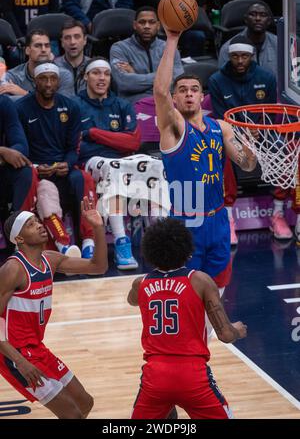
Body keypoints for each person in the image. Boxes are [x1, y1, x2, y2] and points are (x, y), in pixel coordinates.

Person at [153, 27, 257, 296]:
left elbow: (246, 165)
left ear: (202, 97)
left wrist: (252, 144)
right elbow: (160, 92)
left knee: (217, 289)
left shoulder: (220, 128)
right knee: (187, 294)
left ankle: (207, 338)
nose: (188, 94)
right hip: (186, 222)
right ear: (175, 99)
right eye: (183, 90)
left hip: (218, 218)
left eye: (194, 89)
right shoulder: (172, 127)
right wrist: (173, 39)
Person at [128, 217, 247, 419]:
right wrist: (238, 329)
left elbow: (132, 300)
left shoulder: (141, 284)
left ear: (150, 253)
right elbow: (226, 335)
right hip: (192, 375)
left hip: (155, 376)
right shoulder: (201, 281)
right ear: (187, 251)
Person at [0, 198, 108, 419]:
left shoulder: (51, 259)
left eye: (38, 221)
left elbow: (98, 266)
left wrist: (97, 228)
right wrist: (20, 361)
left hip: (36, 347)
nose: (39, 225)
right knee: (72, 415)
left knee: (84, 403)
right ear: (19, 239)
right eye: (30, 224)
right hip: (14, 353)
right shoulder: (13, 269)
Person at [16, 62, 97, 258]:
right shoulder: (20, 107)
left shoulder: (70, 107)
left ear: (59, 82)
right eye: (43, 79)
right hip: (35, 168)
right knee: (42, 188)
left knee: (84, 178)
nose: (48, 83)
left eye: (53, 79)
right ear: (35, 81)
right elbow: (18, 145)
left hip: (62, 166)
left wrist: (67, 164)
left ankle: (88, 242)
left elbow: (73, 147)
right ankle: (60, 244)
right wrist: (35, 166)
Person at [208, 35, 277, 244]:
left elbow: (271, 114)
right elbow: (221, 117)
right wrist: (243, 134)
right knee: (221, 156)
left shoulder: (267, 77)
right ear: (229, 56)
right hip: (231, 135)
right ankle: (228, 218)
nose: (239, 61)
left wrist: (259, 131)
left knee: (286, 152)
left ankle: (280, 212)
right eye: (235, 56)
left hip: (262, 133)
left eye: (244, 56)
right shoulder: (216, 80)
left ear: (252, 56)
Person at [76, 57, 140, 270]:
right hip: (89, 162)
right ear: (86, 76)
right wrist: (115, 140)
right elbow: (76, 144)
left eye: (106, 73)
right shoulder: (74, 104)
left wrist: (93, 133)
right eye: (96, 73)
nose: (102, 78)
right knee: (113, 169)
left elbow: (133, 142)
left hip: (121, 162)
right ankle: (122, 241)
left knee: (156, 168)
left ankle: (163, 240)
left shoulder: (122, 105)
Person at [110, 6, 183, 103]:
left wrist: (136, 76)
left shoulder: (169, 48)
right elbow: (124, 83)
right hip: (134, 103)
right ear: (135, 25)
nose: (147, 26)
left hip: (165, 102)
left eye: (152, 22)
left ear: (158, 25)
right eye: (142, 22)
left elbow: (177, 80)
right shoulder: (119, 48)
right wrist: (164, 77)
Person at [0, 30, 74, 98]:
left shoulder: (63, 75)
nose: (43, 50)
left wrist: (24, 94)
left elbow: (63, 105)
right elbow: (7, 106)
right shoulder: (12, 76)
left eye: (47, 46)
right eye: (38, 46)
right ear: (28, 50)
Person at [218, 2, 278, 80]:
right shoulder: (229, 48)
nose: (258, 18)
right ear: (246, 19)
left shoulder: (280, 44)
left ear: (269, 21)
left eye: (263, 15)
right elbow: (223, 81)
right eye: (253, 14)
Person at [0, 94, 36, 214]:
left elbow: (21, 146)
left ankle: (18, 222)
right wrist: (2, 151)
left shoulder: (3, 103)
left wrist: (6, 154)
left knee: (26, 172)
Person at [61, 0, 134, 34]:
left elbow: (125, 2)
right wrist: (86, 23)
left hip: (113, 21)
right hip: (84, 21)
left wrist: (116, 23)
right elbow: (70, 4)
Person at [55, 19, 90, 95]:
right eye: (67, 38)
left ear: (85, 40)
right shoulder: (53, 67)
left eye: (77, 37)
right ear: (62, 42)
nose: (72, 42)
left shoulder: (93, 66)